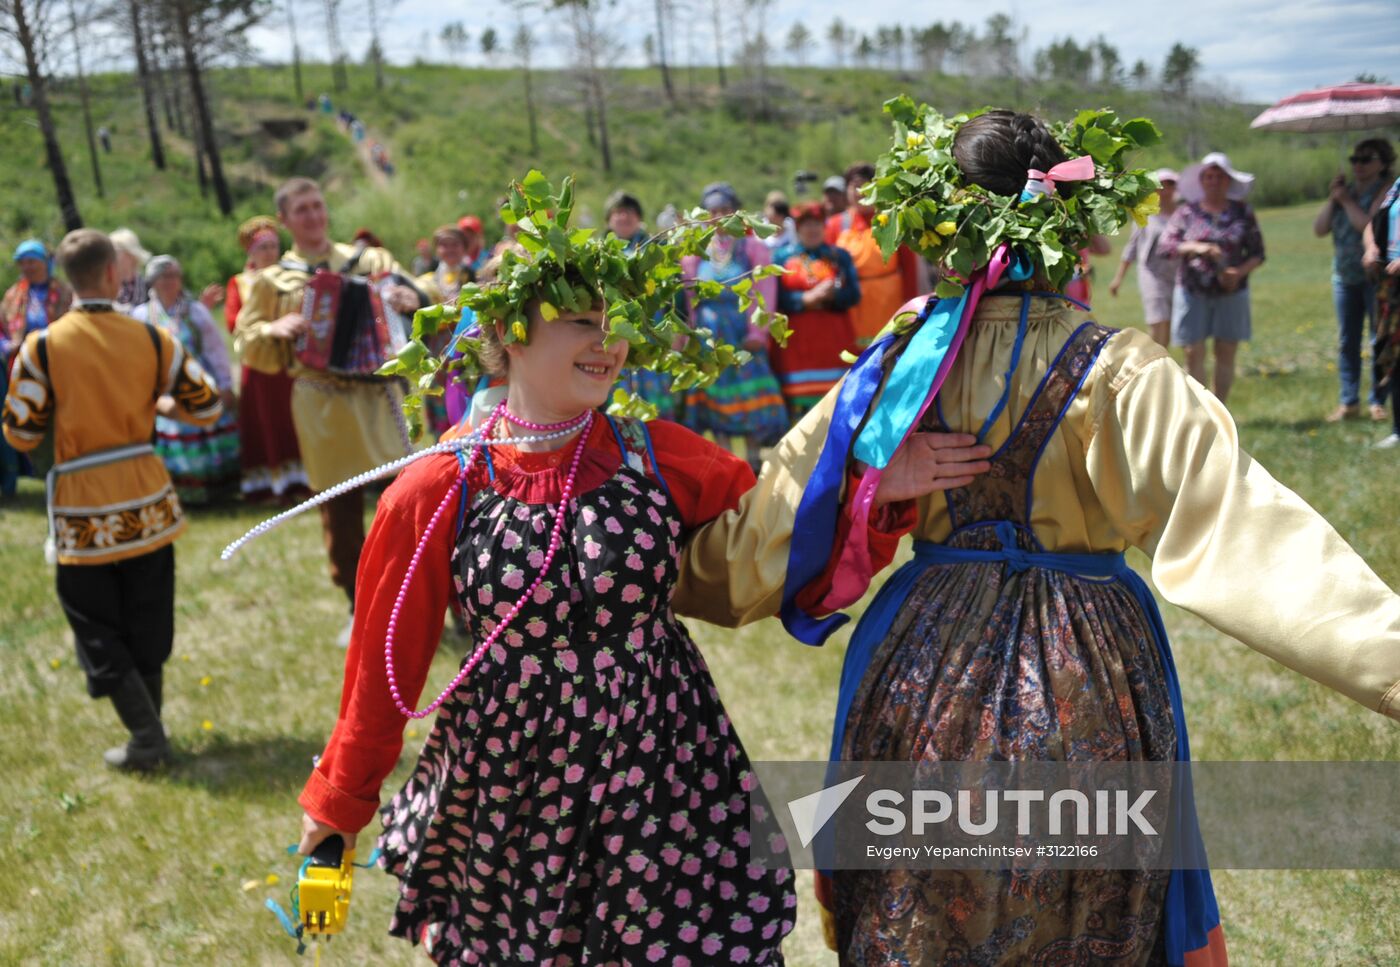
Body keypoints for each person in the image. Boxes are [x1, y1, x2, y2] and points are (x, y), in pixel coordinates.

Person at [674, 106, 1400, 965]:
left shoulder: (900, 364)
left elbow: (760, 537)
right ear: (1066, 225)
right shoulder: (1113, 367)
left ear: (940, 223)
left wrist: (628, 555)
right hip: (1084, 675)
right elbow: (1248, 535)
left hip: (917, 677)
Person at [292, 199, 801, 963]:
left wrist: (876, 483)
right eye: (580, 322)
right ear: (508, 331)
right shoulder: (437, 487)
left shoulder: (660, 455)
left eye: (613, 320)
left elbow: (786, 533)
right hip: (513, 787)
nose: (608, 342)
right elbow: (380, 670)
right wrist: (336, 809)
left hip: (662, 769)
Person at [2, 229, 222, 770]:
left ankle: (148, 739)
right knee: (148, 615)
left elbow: (19, 433)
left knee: (96, 625)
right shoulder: (151, 339)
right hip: (147, 499)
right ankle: (153, 734)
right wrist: (161, 404)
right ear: (112, 274)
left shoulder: (43, 347)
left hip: (82, 509)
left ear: (68, 278)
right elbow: (209, 405)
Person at [234, 177, 429, 646]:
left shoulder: (371, 261)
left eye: (318, 206)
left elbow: (419, 294)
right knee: (340, 514)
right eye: (301, 209)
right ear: (285, 220)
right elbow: (246, 339)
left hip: (379, 396)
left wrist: (414, 299)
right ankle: (357, 608)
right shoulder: (273, 280)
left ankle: (422, 601)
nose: (313, 216)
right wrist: (275, 327)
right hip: (320, 399)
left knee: (409, 505)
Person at [678, 182, 788, 469]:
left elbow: (765, 290)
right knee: (714, 401)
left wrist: (758, 332)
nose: (718, 216)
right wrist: (689, 335)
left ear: (736, 212)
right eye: (713, 211)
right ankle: (726, 462)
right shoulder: (695, 252)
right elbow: (690, 298)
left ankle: (754, 461)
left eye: (725, 210)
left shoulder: (752, 248)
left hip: (742, 334)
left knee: (748, 397)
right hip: (709, 336)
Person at [1159, 152, 1266, 405]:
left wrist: (1238, 272)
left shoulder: (1242, 212)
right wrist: (1197, 247)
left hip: (1232, 290)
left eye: (1219, 176)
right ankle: (1200, 410)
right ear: (1201, 181)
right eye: (1209, 176)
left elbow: (1258, 253)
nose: (1214, 181)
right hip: (1192, 289)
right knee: (1192, 350)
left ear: (1228, 181)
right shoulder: (1187, 212)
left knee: (1226, 350)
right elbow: (1167, 246)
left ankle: (1221, 408)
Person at [132, 256, 240, 505]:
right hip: (162, 389)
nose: (170, 282)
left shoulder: (195, 311)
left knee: (203, 428)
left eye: (175, 276)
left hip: (196, 383)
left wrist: (225, 384)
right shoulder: (141, 315)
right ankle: (176, 492)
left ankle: (214, 490)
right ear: (153, 281)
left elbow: (216, 350)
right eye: (164, 277)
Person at [223, 216, 309, 504]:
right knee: (266, 422)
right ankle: (272, 486)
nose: (270, 252)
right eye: (263, 247)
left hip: (293, 360)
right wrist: (268, 324)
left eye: (274, 246)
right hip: (259, 362)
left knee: (296, 418)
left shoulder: (294, 276)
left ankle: (306, 480)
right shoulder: (240, 283)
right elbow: (234, 321)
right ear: (251, 251)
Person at [1314, 138, 1395, 422]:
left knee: (1378, 339)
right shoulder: (1343, 192)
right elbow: (1319, 229)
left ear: (1383, 163)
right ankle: (1348, 402)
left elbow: (1369, 225)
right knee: (1347, 341)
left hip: (1376, 276)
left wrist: (1346, 201)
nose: (1357, 165)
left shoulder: (1386, 191)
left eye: (1366, 159)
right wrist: (1333, 196)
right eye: (1354, 160)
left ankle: (1378, 401)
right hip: (1344, 277)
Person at [770, 202, 860, 418]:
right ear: (797, 228)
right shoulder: (782, 258)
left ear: (824, 226)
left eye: (816, 224)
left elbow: (854, 295)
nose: (812, 229)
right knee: (799, 407)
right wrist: (806, 298)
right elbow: (777, 298)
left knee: (836, 404)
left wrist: (831, 295)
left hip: (833, 339)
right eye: (806, 224)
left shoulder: (839, 257)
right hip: (797, 342)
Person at [826, 162, 928, 346]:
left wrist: (911, 305)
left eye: (866, 186)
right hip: (852, 304)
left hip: (889, 300)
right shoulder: (835, 225)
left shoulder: (892, 219)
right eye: (854, 187)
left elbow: (908, 266)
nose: (859, 192)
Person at [1, 239, 73, 495]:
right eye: (23, 262)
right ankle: (23, 473)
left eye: (32, 261)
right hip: (21, 366)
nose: (27, 267)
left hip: (56, 365)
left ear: (45, 262)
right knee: (23, 417)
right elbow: (2, 328)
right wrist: (6, 345)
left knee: (58, 420)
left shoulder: (64, 292)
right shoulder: (13, 295)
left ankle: (60, 473)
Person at [605, 189, 679, 422]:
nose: (623, 218)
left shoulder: (655, 248)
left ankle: (658, 440)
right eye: (617, 213)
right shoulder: (600, 251)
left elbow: (673, 291)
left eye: (628, 213)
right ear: (609, 219)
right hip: (616, 330)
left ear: (638, 217)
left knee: (654, 390)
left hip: (651, 328)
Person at [1108, 167, 1181, 346]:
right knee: (1158, 320)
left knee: (1170, 322)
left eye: (1170, 185)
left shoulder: (1182, 214)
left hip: (1177, 274)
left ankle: (1163, 361)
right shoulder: (1145, 215)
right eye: (1161, 186)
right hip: (1151, 273)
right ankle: (1153, 364)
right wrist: (1118, 279)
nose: (1165, 190)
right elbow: (1131, 249)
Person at [1363, 173, 1400, 447]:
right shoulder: (1397, 185)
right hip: (1390, 284)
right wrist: (1371, 247)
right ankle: (1399, 429)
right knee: (1393, 353)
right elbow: (1374, 221)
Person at [109, 227, 152, 312]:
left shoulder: (148, 287)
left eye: (115, 251)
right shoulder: (106, 284)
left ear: (131, 254)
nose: (110, 256)